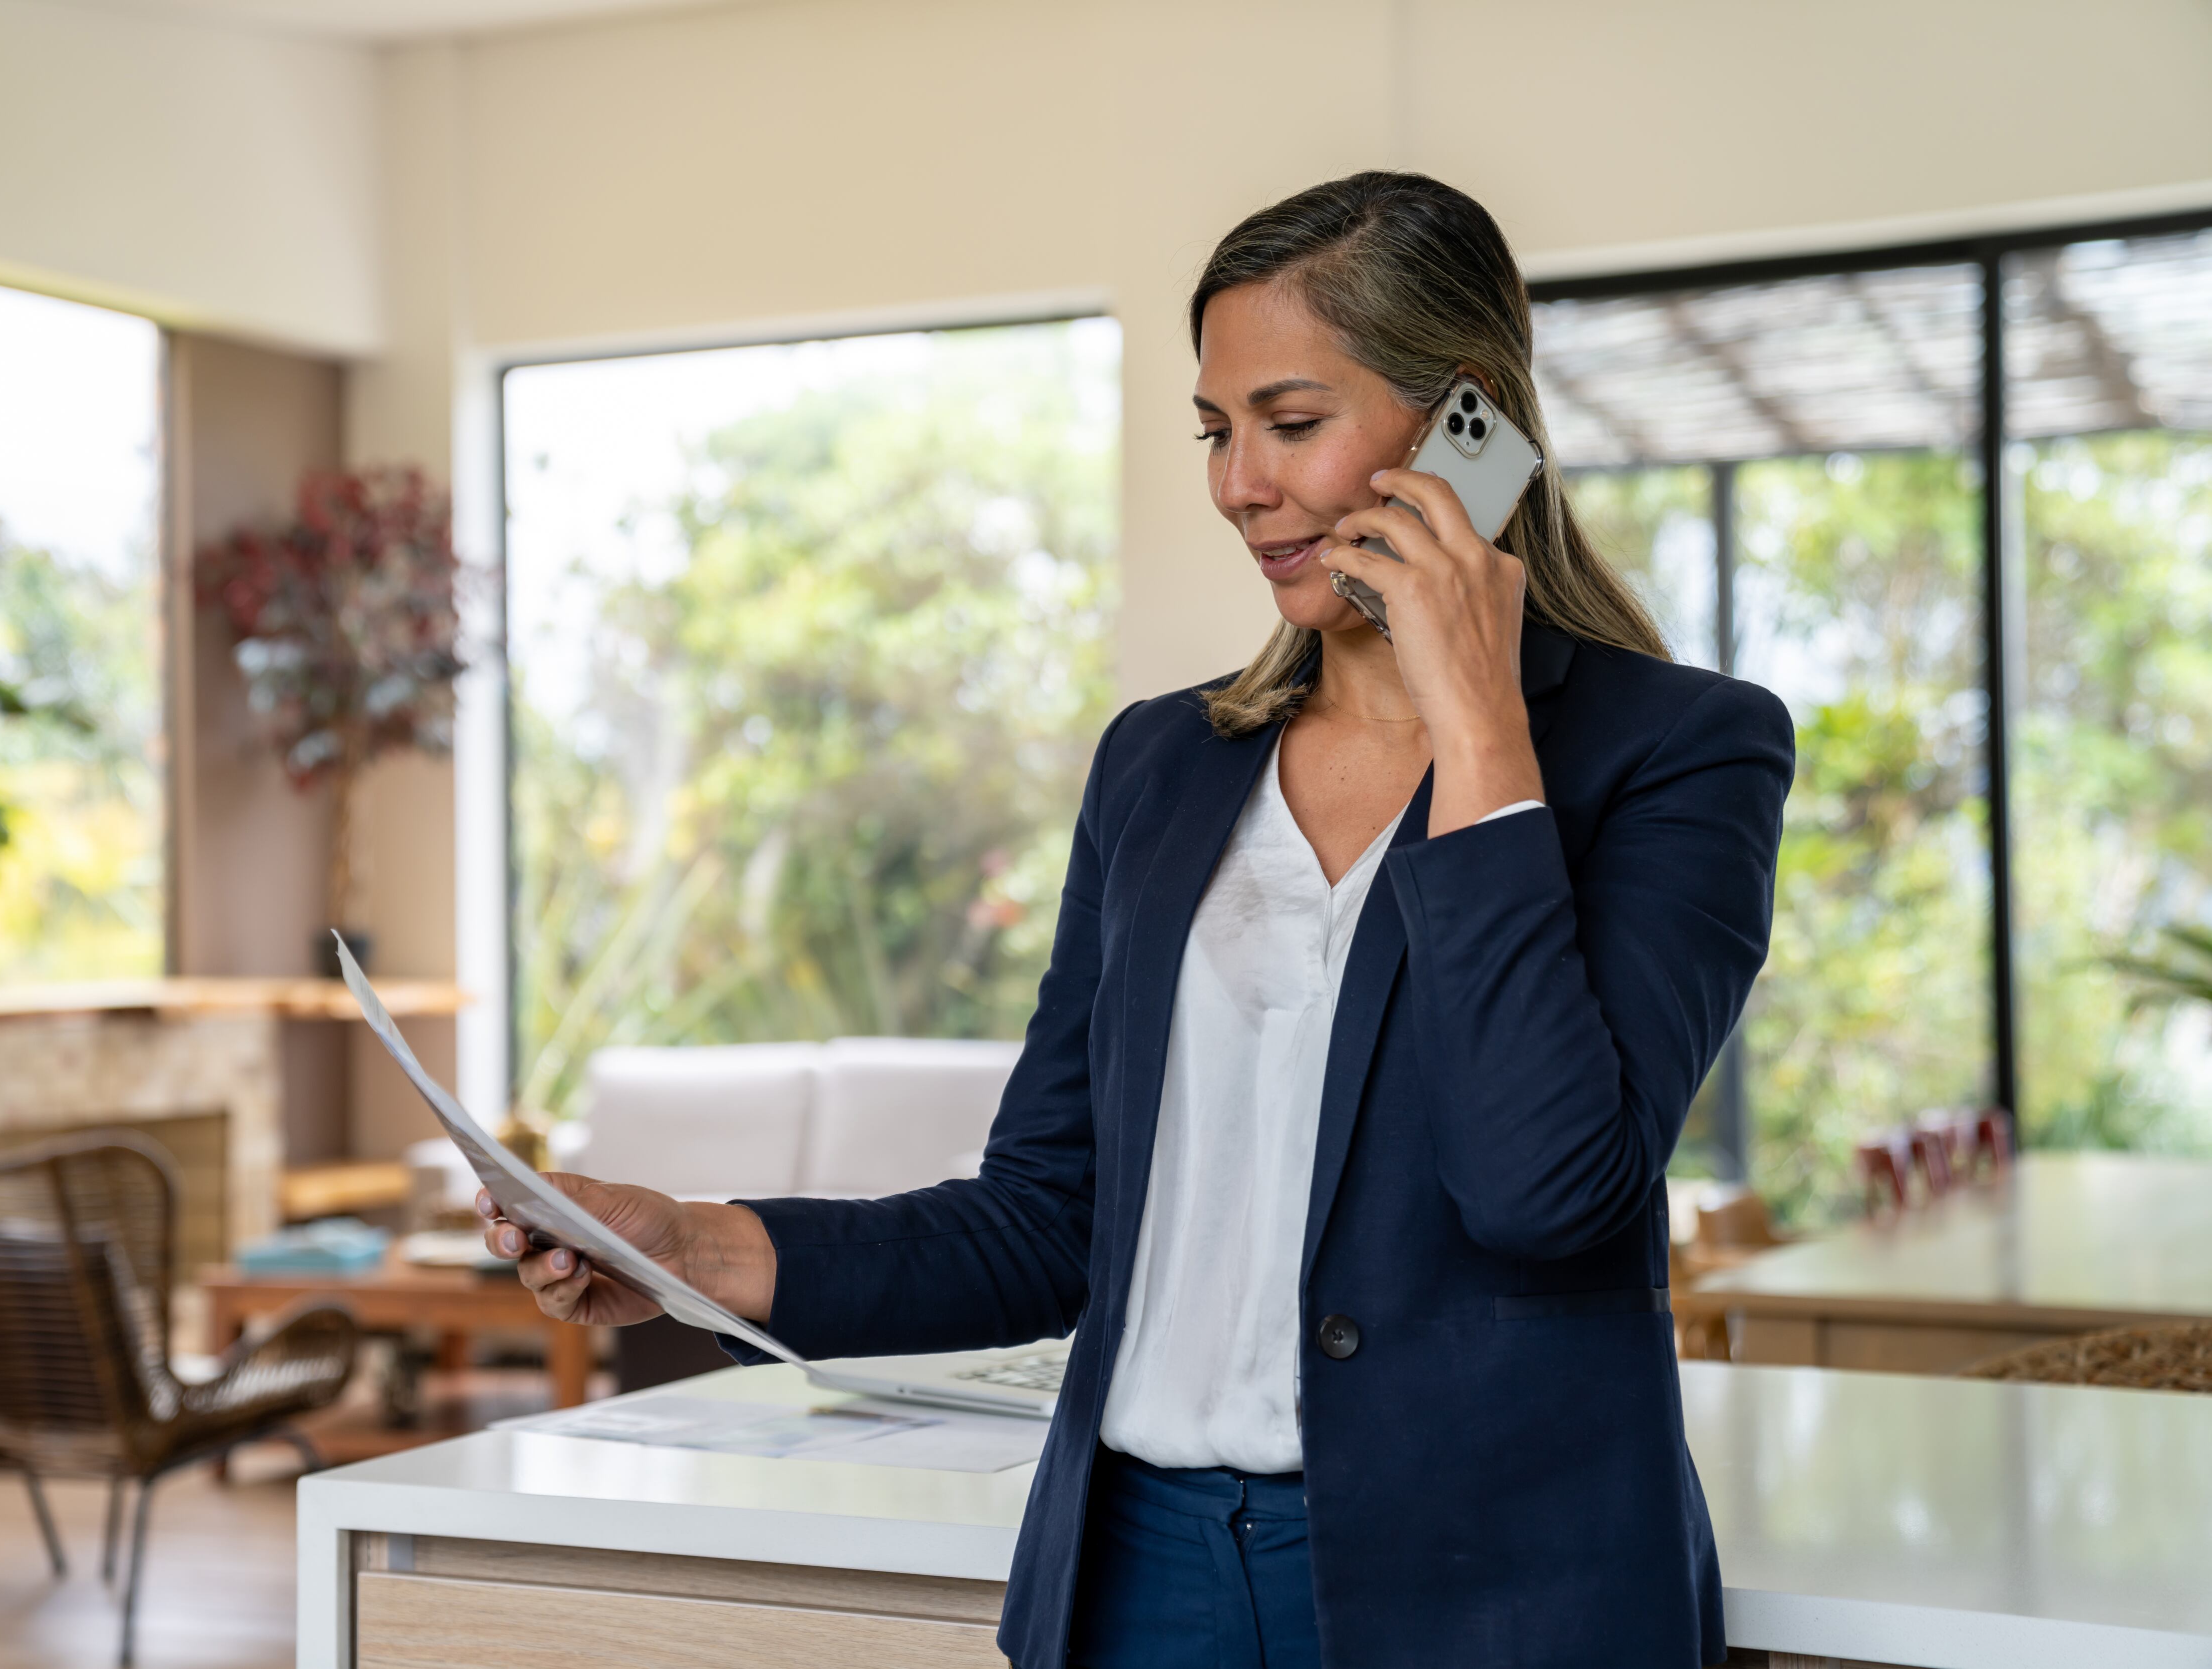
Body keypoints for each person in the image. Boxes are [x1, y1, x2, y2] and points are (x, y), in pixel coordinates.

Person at [479, 171, 1794, 1669]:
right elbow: (1054, 1214)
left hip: (1489, 1599)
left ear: (1469, 427)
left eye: (1291, 423)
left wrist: (1481, 731)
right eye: (1217, 430)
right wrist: (694, 1249)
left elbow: (1547, 1191)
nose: (1239, 483)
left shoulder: (1680, 752)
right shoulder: (1166, 766)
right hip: (1140, 1578)